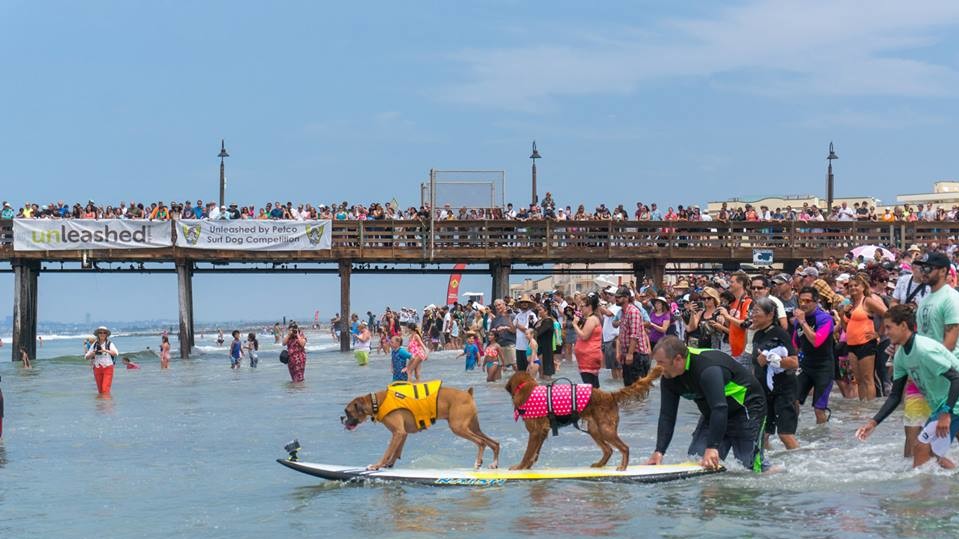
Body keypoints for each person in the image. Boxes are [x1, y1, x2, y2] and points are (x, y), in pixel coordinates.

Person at [855, 306, 959, 469]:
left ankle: (919, 493)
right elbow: (895, 395)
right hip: (944, 405)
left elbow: (956, 378)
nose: (885, 332)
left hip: (952, 405)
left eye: (889, 327)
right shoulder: (901, 355)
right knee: (931, 455)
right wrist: (873, 422)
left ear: (903, 325)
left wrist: (946, 413)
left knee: (923, 450)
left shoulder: (924, 350)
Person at [647, 336, 768, 472]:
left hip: (746, 409)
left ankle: (775, 472)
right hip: (714, 413)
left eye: (661, 362)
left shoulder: (707, 367)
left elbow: (720, 408)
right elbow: (667, 415)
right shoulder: (669, 377)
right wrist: (659, 451)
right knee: (696, 462)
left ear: (678, 359)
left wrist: (712, 447)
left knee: (750, 469)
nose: (657, 368)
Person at [751, 297, 800, 450]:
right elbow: (756, 365)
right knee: (762, 435)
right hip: (765, 391)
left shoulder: (780, 334)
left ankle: (801, 465)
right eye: (752, 311)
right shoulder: (758, 334)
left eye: (756, 311)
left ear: (770, 314)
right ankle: (769, 467)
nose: (752, 315)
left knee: (785, 434)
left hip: (784, 390)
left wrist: (773, 359)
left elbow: (794, 362)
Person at [793, 287, 836, 424]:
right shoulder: (797, 322)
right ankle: (792, 432)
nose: (804, 304)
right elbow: (795, 344)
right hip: (806, 365)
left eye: (808, 301)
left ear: (816, 302)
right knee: (793, 401)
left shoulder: (825, 319)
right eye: (801, 301)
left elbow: (816, 341)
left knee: (818, 409)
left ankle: (822, 440)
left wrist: (803, 322)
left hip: (824, 367)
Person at [843, 273, 887, 400]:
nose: (853, 288)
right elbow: (845, 328)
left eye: (856, 285)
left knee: (868, 379)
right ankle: (862, 408)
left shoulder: (867, 301)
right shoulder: (851, 305)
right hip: (851, 344)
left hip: (866, 343)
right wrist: (843, 315)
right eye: (850, 286)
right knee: (858, 380)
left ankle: (870, 408)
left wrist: (879, 332)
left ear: (863, 287)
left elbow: (887, 314)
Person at [615, 286, 652, 387]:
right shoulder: (623, 312)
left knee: (636, 388)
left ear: (626, 298)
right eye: (616, 296)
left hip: (637, 355)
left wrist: (630, 354)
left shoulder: (633, 312)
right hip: (629, 353)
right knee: (628, 388)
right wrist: (620, 353)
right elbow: (622, 334)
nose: (616, 299)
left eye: (619, 297)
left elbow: (634, 336)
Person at [572, 292, 603, 388]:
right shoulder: (590, 318)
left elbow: (584, 336)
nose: (580, 308)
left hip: (589, 358)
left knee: (590, 388)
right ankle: (598, 402)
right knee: (593, 386)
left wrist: (574, 324)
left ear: (589, 306)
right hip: (588, 357)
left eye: (582, 306)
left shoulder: (592, 319)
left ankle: (596, 403)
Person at [84, 326, 118, 396]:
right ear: (98, 334)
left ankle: (107, 405)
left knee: (105, 389)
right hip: (97, 368)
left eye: (104, 333)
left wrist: (105, 350)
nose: (102, 334)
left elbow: (116, 353)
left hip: (108, 367)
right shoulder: (94, 344)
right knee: (100, 391)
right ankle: (101, 405)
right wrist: (92, 353)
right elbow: (86, 357)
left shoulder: (109, 344)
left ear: (106, 334)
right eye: (100, 332)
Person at [490, 299, 517, 371]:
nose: (498, 307)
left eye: (499, 305)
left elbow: (515, 331)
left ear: (504, 304)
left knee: (515, 365)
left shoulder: (512, 316)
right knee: (501, 368)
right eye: (496, 306)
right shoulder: (495, 319)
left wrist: (505, 328)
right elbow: (491, 333)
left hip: (511, 344)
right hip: (499, 345)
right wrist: (494, 331)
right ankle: (502, 382)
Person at [514, 295, 537, 371]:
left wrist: (518, 326)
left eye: (526, 302)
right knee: (520, 370)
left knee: (529, 370)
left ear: (529, 304)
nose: (524, 304)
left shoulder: (532, 315)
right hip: (518, 346)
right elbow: (513, 329)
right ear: (520, 304)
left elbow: (529, 331)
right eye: (522, 302)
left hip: (527, 346)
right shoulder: (517, 315)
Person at [533, 303, 556, 378]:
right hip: (539, 347)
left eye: (540, 310)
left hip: (545, 348)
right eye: (538, 310)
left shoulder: (548, 321)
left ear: (546, 311)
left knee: (545, 372)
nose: (539, 311)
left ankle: (547, 387)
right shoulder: (538, 321)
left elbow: (539, 332)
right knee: (540, 372)